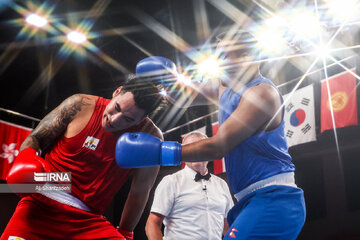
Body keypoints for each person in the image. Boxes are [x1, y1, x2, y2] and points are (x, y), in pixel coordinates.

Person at [116, 31, 306, 239]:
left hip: (274, 198)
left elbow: (218, 146)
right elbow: (184, 96)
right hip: (250, 201)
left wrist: (159, 152)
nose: (220, 61)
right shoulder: (224, 87)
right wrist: (165, 81)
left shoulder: (261, 93)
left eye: (226, 55)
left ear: (249, 56)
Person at [2, 74, 166, 240]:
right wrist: (27, 158)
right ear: (117, 92)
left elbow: (140, 190)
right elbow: (36, 139)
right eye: (117, 108)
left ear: (143, 118)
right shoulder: (80, 104)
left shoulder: (150, 138)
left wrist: (125, 231)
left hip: (88, 221)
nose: (115, 120)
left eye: (128, 119)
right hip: (40, 204)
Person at [145, 131, 234, 240]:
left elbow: (228, 226)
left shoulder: (221, 184)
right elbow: (152, 223)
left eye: (201, 148)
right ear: (184, 153)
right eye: (191, 149)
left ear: (209, 152)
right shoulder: (171, 181)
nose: (196, 153)